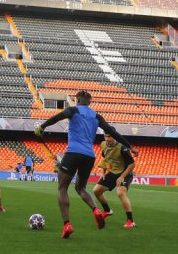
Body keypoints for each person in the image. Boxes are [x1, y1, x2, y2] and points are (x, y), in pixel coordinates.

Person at [34, 90, 138, 239]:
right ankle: (96, 210)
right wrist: (131, 146)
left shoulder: (73, 110)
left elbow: (58, 117)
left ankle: (67, 224)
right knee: (81, 187)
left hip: (73, 153)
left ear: (77, 100)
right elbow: (113, 132)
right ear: (90, 102)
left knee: (62, 187)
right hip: (89, 156)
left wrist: (42, 126)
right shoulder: (96, 116)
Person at [93, 131, 136, 228]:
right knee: (96, 191)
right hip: (113, 172)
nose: (107, 139)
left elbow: (132, 164)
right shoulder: (103, 144)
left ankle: (130, 221)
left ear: (115, 137)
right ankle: (107, 211)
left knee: (120, 193)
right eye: (105, 136)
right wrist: (103, 172)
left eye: (109, 137)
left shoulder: (123, 148)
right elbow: (105, 158)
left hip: (125, 173)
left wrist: (122, 177)